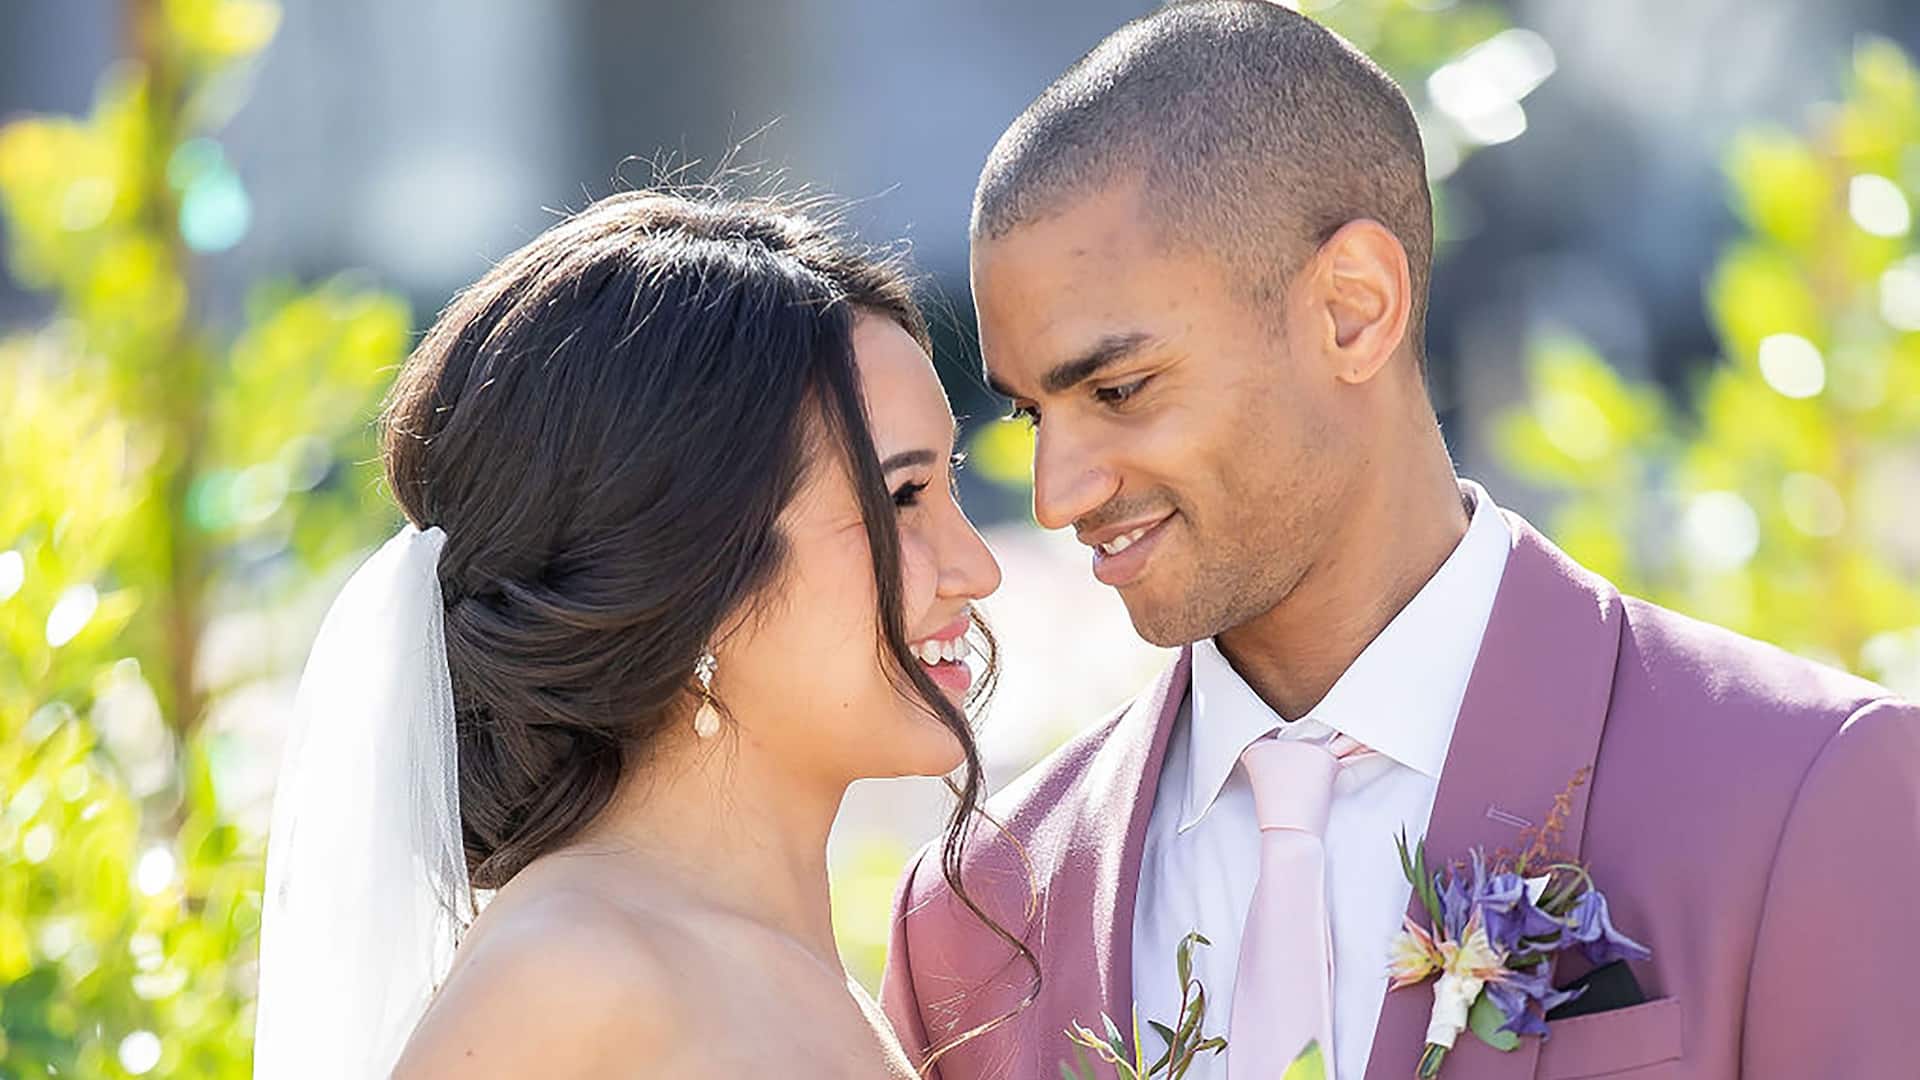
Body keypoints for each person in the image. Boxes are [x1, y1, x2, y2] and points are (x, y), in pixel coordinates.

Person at [881, 4, 1920, 1079]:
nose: (1058, 497)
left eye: (1120, 388)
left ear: (1353, 310)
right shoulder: (966, 923)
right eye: (1034, 416)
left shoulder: (1804, 793)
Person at [252, 190, 1011, 1078]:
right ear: (696, 568)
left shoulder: (799, 978)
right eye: (901, 499)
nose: (979, 568)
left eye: (950, 483)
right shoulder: (572, 977)